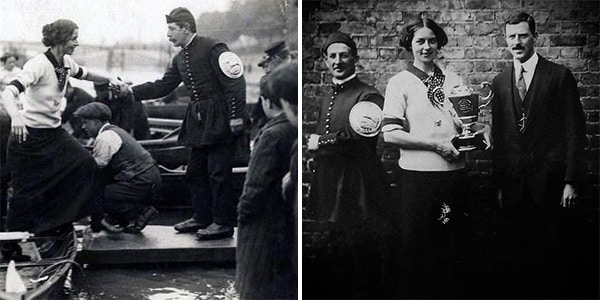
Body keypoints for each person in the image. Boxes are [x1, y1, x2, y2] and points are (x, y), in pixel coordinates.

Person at [0, 19, 128, 259]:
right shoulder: (38, 64)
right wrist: (16, 117)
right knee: (24, 192)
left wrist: (110, 80)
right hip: (28, 136)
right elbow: (9, 92)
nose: (77, 43)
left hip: (54, 133)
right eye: (73, 38)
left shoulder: (64, 63)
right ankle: (10, 248)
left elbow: (86, 74)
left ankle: (54, 223)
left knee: (85, 165)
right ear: (60, 39)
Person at [382, 18, 489, 298]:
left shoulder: (453, 79)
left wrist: (482, 130)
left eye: (431, 40)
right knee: (417, 250)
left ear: (439, 42)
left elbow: (464, 124)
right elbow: (390, 134)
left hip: (454, 177)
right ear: (410, 45)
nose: (426, 46)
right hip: (417, 180)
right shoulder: (399, 82)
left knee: (453, 247)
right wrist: (435, 145)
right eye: (420, 41)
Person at [125, 7, 248, 240]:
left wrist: (236, 116)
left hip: (220, 117)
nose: (168, 35)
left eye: (172, 29)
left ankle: (222, 223)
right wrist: (130, 91)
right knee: (194, 172)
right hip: (198, 119)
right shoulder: (180, 58)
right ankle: (201, 217)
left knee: (219, 173)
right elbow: (162, 86)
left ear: (186, 28)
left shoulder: (213, 47)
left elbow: (235, 83)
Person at [490, 12, 588, 297]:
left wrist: (572, 181)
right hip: (514, 187)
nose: (517, 42)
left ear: (535, 37)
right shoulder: (499, 81)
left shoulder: (558, 76)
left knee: (553, 257)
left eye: (523, 35)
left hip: (551, 185)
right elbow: (501, 137)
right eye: (512, 37)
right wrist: (499, 184)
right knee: (518, 257)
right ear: (505, 40)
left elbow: (574, 131)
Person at [304, 32, 387, 299]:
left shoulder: (368, 95)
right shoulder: (329, 96)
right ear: (325, 61)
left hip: (356, 182)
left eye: (344, 55)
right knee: (335, 244)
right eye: (332, 56)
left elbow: (360, 137)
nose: (338, 61)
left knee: (359, 247)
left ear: (354, 58)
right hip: (330, 180)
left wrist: (321, 141)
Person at [235, 64, 296, 300]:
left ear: (266, 101)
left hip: (263, 226)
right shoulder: (291, 129)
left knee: (255, 285)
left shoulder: (271, 134)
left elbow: (254, 187)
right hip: (284, 225)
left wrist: (242, 215)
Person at [74, 102, 160, 234]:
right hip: (149, 176)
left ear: (96, 122)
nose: (83, 126)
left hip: (140, 180)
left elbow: (97, 167)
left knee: (93, 194)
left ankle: (140, 212)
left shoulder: (105, 137)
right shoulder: (116, 131)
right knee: (101, 189)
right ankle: (119, 219)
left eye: (86, 122)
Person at [251, 40, 292, 131]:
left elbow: (266, 100)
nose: (267, 69)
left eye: (268, 64)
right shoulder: (295, 68)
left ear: (275, 58)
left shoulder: (269, 79)